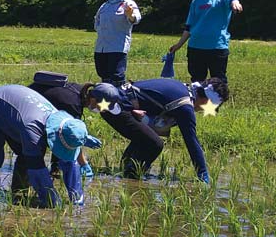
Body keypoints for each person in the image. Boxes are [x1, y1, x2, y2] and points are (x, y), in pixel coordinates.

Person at [0, 84, 102, 208]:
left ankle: (18, 196)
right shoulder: (33, 129)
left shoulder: (67, 122)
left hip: (16, 107)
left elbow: (69, 163)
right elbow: (37, 170)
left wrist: (77, 200)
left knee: (28, 154)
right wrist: (52, 203)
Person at [83, 78, 226, 183]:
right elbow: (191, 142)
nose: (206, 111)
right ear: (207, 101)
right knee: (155, 144)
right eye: (211, 107)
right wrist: (202, 174)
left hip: (115, 104)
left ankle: (126, 168)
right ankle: (131, 178)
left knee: (146, 137)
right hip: (115, 108)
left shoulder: (184, 88)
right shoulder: (185, 107)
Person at [168, 0, 242, 83]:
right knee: (197, 83)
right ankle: (199, 102)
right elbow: (189, 26)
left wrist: (235, 3)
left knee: (218, 83)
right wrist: (178, 45)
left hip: (217, 47)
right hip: (195, 47)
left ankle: (215, 102)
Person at [27, 71, 93, 180]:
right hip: (30, 106)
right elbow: (71, 137)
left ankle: (55, 169)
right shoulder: (73, 104)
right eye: (99, 105)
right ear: (93, 98)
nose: (100, 109)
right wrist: (83, 163)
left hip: (36, 99)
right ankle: (30, 180)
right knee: (38, 145)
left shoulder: (80, 91)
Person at [92, 0, 141, 85]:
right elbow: (97, 21)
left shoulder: (129, 4)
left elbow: (136, 19)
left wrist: (130, 15)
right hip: (101, 48)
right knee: (103, 75)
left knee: (117, 77)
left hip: (117, 47)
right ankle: (105, 100)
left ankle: (119, 100)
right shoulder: (104, 6)